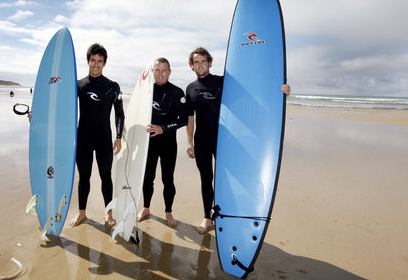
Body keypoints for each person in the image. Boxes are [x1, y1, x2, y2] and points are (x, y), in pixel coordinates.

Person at [185, 47, 290, 234]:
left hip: (224, 140)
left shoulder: (222, 82)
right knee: (205, 179)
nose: (200, 65)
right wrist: (189, 142)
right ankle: (207, 218)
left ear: (209, 62)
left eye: (203, 61)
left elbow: (251, 90)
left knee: (226, 179)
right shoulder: (191, 88)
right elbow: (190, 117)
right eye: (196, 62)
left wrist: (279, 90)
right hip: (201, 141)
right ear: (192, 66)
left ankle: (224, 214)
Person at [68, 43, 124, 228]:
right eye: (93, 60)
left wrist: (117, 137)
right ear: (87, 61)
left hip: (103, 139)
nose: (96, 64)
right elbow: (61, 108)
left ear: (104, 63)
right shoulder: (78, 85)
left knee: (105, 176)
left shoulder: (112, 86)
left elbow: (119, 113)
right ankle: (82, 213)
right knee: (83, 177)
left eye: (100, 61)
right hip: (83, 138)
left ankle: (108, 214)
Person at [136, 58, 188, 228]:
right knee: (147, 178)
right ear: (152, 72)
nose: (160, 73)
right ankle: (146, 208)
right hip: (149, 143)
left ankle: (168, 212)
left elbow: (183, 120)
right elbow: (136, 114)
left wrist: (163, 128)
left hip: (168, 144)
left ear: (169, 72)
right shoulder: (146, 91)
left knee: (167, 179)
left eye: (163, 70)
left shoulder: (176, 92)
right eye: (157, 70)